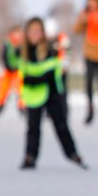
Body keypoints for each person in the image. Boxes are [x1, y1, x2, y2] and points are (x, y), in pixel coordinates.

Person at [18, 16, 85, 170]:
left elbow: (54, 69)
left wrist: (37, 77)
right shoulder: (24, 52)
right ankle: (30, 156)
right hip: (33, 95)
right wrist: (34, 79)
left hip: (51, 93)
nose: (35, 34)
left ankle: (72, 153)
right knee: (33, 127)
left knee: (61, 125)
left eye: (37, 31)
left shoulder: (50, 49)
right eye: (32, 31)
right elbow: (23, 75)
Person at [0, 26, 25, 122]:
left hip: (19, 69)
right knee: (3, 87)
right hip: (8, 70)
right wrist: (7, 65)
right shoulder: (7, 44)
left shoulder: (23, 44)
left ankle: (23, 106)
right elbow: (3, 55)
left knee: (21, 88)